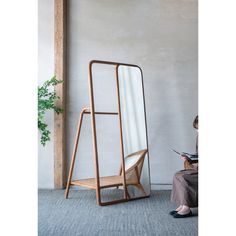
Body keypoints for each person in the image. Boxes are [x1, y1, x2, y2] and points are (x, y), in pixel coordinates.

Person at [170, 115, 198, 218]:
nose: (198, 131)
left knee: (184, 177)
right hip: (198, 167)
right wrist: (188, 158)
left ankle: (186, 207)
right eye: (197, 129)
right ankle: (182, 204)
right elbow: (198, 156)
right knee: (177, 175)